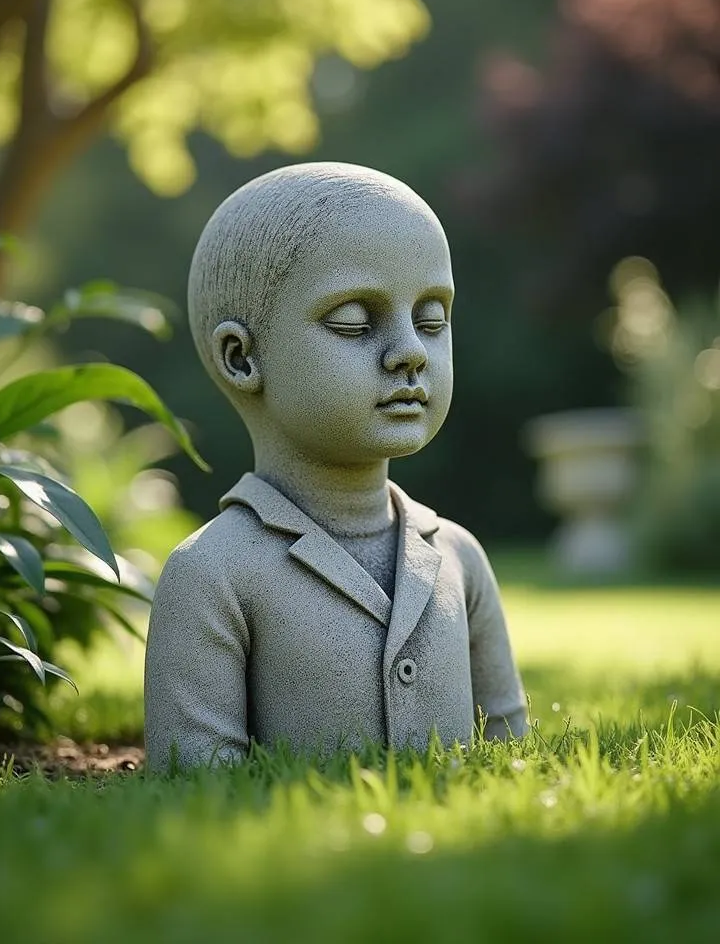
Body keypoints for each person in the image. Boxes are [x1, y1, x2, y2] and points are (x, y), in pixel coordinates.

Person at [144, 162, 527, 771]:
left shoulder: (459, 558)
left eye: (432, 318)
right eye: (353, 320)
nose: (410, 351)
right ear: (242, 358)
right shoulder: (212, 576)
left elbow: (510, 756)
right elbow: (198, 786)